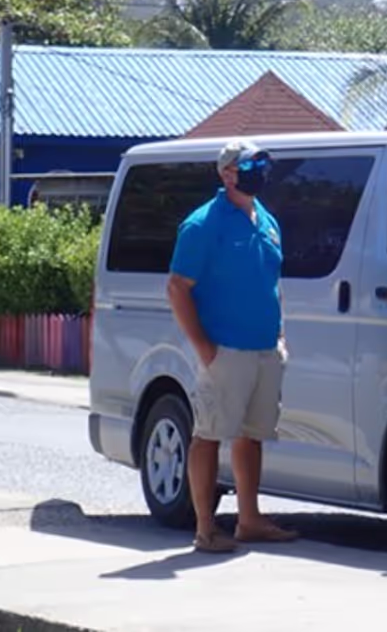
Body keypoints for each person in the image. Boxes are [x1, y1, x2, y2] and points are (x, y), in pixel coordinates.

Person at [166, 139, 299, 553]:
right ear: (226, 173)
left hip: (264, 348)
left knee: (252, 435)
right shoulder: (203, 224)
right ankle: (206, 528)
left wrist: (279, 334)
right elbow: (177, 287)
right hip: (226, 350)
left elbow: (270, 281)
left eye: (262, 162)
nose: (258, 170)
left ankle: (249, 519)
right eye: (249, 164)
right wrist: (205, 348)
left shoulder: (267, 220)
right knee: (208, 435)